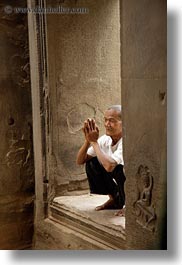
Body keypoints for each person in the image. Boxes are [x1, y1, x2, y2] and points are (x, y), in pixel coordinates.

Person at [76, 105, 126, 215]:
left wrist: (94, 142)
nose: (107, 124)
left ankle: (129, 204)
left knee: (118, 168)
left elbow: (109, 166)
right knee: (92, 162)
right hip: (116, 176)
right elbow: (80, 160)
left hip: (129, 181)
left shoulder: (127, 140)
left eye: (112, 121)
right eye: (105, 120)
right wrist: (88, 140)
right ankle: (114, 199)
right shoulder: (106, 139)